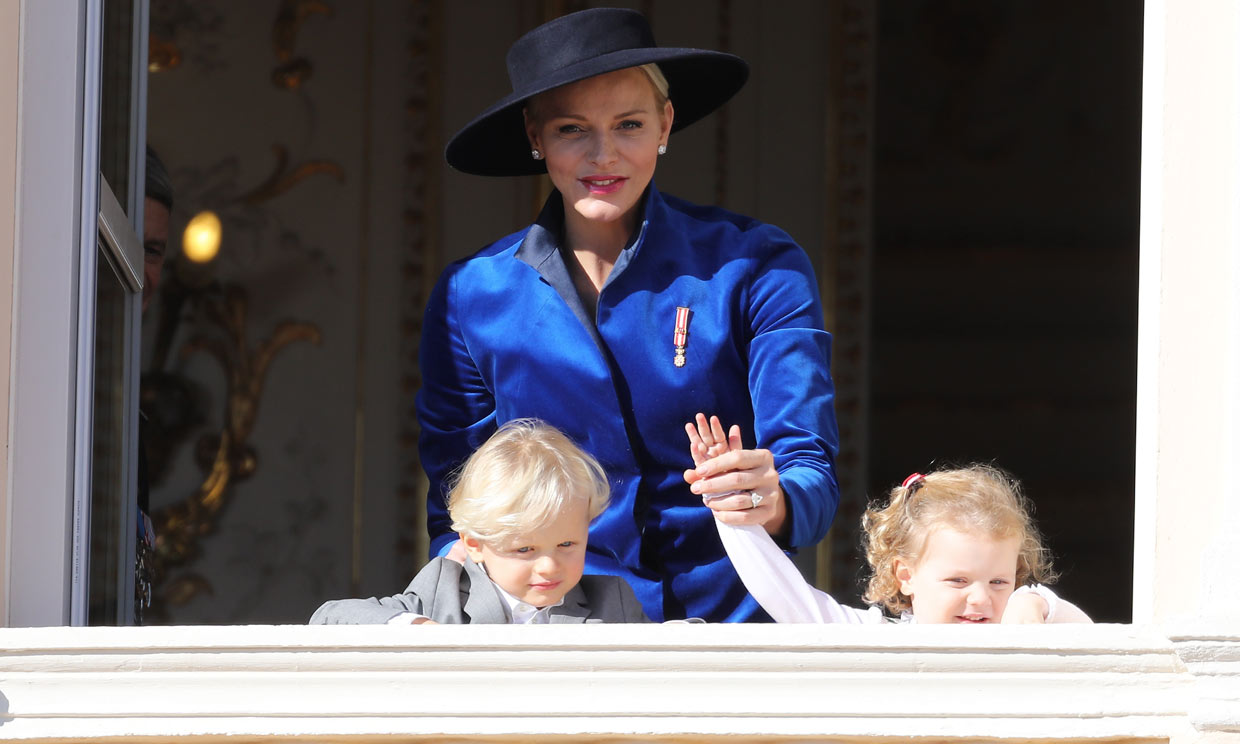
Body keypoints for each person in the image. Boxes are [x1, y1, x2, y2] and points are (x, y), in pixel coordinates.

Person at [419, 8, 839, 622]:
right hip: (555, 641)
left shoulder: (759, 264)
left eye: (629, 124)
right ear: (533, 136)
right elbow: (458, 512)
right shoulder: (469, 295)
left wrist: (767, 498)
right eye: (571, 129)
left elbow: (812, 479)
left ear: (666, 123)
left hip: (740, 628)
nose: (603, 154)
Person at [686, 415, 1090, 623]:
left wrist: (1037, 603)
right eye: (958, 580)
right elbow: (790, 601)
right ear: (906, 575)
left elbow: (1092, 637)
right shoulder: (877, 641)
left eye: (1000, 581)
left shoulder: (1018, 638)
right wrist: (728, 500)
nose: (981, 598)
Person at [311, 419, 649, 624]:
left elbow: (682, 647)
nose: (549, 566)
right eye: (525, 548)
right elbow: (329, 618)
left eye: (567, 544)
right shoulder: (443, 592)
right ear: (474, 543)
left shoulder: (612, 601)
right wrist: (416, 628)